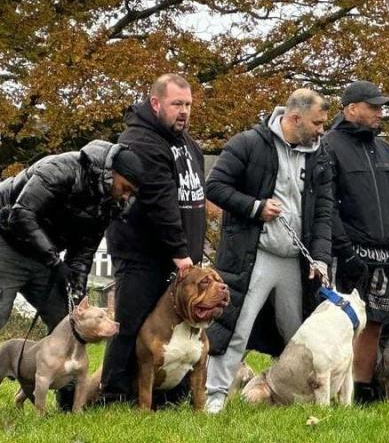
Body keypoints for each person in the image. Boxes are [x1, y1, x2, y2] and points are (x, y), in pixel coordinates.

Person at [203, 89, 333, 414]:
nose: (321, 130)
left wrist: (320, 257)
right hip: (254, 255)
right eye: (317, 123)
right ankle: (213, 397)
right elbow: (215, 186)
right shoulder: (248, 143)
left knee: (298, 332)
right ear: (294, 118)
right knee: (236, 326)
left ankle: (295, 394)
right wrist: (255, 207)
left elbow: (324, 211)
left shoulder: (319, 156)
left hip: (296, 260)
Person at [0, 140, 141, 409]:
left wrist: (76, 290)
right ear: (111, 173)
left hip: (44, 257)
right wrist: (54, 260)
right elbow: (21, 214)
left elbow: (84, 251)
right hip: (6, 240)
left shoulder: (108, 202)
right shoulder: (61, 169)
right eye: (125, 188)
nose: (126, 197)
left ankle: (69, 404)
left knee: (65, 320)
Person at [101, 73, 207, 404]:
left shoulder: (189, 145)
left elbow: (195, 201)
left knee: (175, 329)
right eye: (177, 104)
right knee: (131, 323)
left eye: (188, 104)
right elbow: (161, 202)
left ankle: (167, 397)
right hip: (141, 252)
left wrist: (192, 250)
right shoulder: (141, 141)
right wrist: (180, 252)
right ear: (156, 103)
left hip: (181, 256)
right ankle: (114, 394)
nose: (184, 111)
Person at [325, 80, 389, 404]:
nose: (380, 112)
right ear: (351, 109)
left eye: (381, 106)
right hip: (349, 252)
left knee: (375, 321)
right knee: (343, 324)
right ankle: (334, 391)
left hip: (385, 253)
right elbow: (326, 204)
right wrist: (344, 250)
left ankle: (361, 390)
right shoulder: (330, 145)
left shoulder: (385, 149)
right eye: (373, 106)